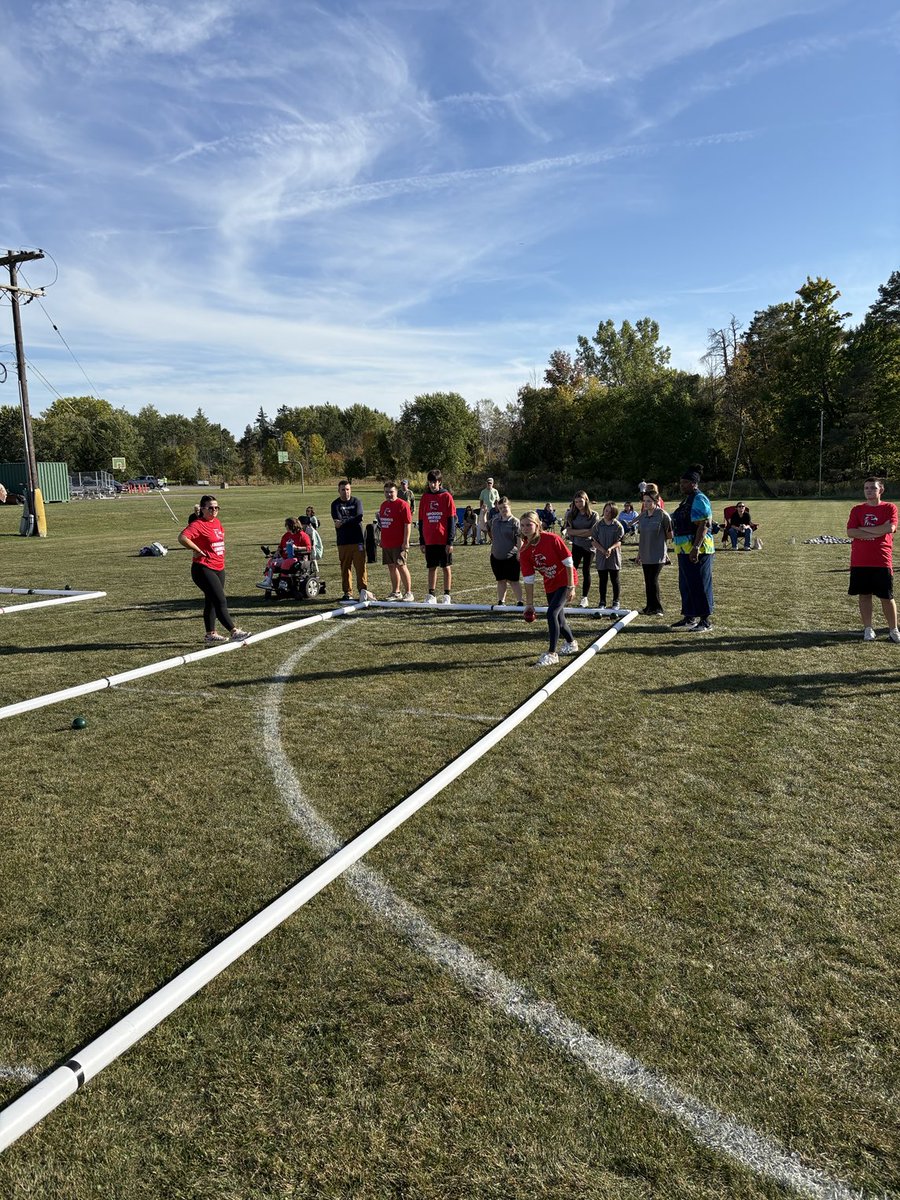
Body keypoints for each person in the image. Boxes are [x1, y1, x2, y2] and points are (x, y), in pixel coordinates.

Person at [177, 494, 249, 644]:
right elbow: (182, 537)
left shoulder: (217, 522)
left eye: (217, 507)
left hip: (219, 567)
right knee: (220, 600)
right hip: (203, 568)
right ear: (203, 509)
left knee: (211, 601)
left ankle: (210, 634)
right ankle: (234, 631)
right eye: (211, 508)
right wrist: (196, 549)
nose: (214, 510)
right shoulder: (198, 524)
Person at [519, 511, 578, 666]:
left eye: (529, 525)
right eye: (522, 525)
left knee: (551, 613)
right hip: (550, 582)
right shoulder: (524, 550)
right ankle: (571, 643)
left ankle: (552, 654)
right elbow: (528, 579)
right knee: (559, 619)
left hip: (565, 579)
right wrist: (529, 604)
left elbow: (568, 562)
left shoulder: (552, 539)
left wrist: (571, 586)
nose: (525, 528)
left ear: (537, 525)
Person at [847, 477, 899, 642]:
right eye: (866, 488)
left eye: (873, 488)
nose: (869, 491)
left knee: (886, 597)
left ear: (880, 490)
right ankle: (868, 629)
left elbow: (890, 528)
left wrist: (863, 529)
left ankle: (893, 630)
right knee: (864, 595)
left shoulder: (889, 507)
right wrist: (878, 531)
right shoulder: (857, 509)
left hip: (882, 559)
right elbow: (851, 532)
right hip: (860, 560)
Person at [670, 467, 715, 632]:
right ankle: (689, 616)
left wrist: (696, 547)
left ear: (694, 484)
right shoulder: (687, 500)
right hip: (683, 549)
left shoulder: (699, 498)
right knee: (686, 584)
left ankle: (705, 620)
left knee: (700, 584)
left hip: (699, 550)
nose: (681, 485)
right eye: (681, 482)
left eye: (685, 482)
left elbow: (704, 524)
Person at [418, 468, 456, 604]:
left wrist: (450, 541)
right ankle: (431, 594)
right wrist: (422, 541)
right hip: (429, 540)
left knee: (446, 567)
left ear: (440, 482)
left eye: (435, 482)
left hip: (443, 540)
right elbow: (421, 520)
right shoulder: (424, 497)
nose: (432, 485)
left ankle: (447, 595)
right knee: (431, 567)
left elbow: (451, 520)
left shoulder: (446, 497)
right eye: (430, 482)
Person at [331, 480, 372, 602]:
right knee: (345, 567)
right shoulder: (335, 504)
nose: (346, 492)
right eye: (343, 490)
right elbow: (337, 520)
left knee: (360, 567)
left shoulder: (357, 502)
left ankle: (363, 590)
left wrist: (343, 522)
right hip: (343, 541)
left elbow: (359, 517)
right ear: (339, 491)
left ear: (351, 490)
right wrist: (351, 520)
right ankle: (347, 592)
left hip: (357, 540)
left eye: (347, 489)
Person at [636, 491, 673, 615]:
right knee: (648, 581)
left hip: (658, 553)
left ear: (656, 502)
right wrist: (639, 554)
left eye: (648, 501)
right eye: (644, 501)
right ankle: (649, 607)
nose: (645, 503)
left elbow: (670, 535)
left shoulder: (663, 515)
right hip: (645, 553)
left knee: (653, 580)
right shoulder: (642, 516)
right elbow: (642, 537)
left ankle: (657, 608)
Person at [379, 481, 414, 601]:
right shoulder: (383, 505)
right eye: (386, 492)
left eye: (391, 492)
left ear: (396, 492)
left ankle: (408, 592)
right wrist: (382, 540)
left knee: (401, 566)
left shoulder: (402, 505)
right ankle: (396, 592)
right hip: (387, 542)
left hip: (399, 542)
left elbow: (407, 524)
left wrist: (406, 541)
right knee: (391, 567)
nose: (389, 494)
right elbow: (384, 524)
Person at [562, 490, 597, 607]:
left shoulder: (594, 515)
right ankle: (568, 594)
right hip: (576, 545)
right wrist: (584, 532)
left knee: (586, 571)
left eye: (580, 501)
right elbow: (569, 531)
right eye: (576, 502)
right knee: (572, 570)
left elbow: (592, 532)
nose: (578, 504)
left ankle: (584, 598)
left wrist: (577, 532)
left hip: (590, 547)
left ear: (586, 500)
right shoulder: (571, 514)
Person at [489, 497, 523, 606]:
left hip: (511, 557)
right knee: (501, 580)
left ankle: (520, 602)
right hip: (496, 556)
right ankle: (501, 601)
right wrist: (483, 514)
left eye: (504, 507)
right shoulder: (495, 520)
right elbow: (485, 527)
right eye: (500, 508)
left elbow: (519, 540)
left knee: (513, 581)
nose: (503, 510)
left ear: (509, 506)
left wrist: (519, 553)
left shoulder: (515, 522)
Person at [591, 502, 625, 612]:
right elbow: (593, 541)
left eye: (610, 512)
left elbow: (620, 541)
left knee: (615, 579)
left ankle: (616, 601)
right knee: (603, 580)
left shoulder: (617, 526)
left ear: (614, 513)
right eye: (606, 511)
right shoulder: (598, 525)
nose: (607, 513)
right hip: (601, 556)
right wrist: (602, 550)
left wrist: (610, 548)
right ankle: (602, 601)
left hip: (614, 556)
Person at [478, 477, 500, 544]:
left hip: (493, 510)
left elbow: (497, 500)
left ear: (492, 483)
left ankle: (492, 539)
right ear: (486, 483)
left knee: (492, 524)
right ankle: (485, 538)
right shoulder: (483, 491)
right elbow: (481, 501)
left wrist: (497, 508)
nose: (489, 484)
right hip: (485, 510)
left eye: (490, 483)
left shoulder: (495, 491)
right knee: (485, 524)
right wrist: (481, 508)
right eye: (488, 483)